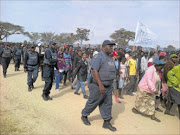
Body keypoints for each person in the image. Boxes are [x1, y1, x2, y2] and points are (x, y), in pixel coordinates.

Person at [81, 40, 117, 132]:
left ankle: (106, 122)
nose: (112, 48)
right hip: (98, 86)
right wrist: (100, 85)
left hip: (108, 86)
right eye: (110, 46)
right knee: (93, 102)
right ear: (104, 46)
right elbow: (94, 71)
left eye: (112, 47)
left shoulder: (110, 57)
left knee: (108, 104)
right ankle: (84, 115)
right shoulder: (98, 56)